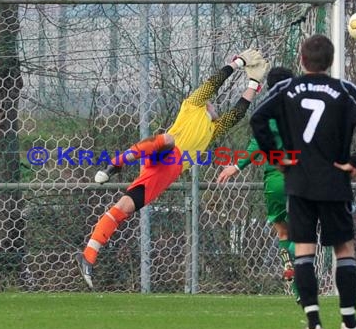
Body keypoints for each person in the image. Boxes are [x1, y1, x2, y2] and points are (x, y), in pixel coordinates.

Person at [76, 49, 271, 289]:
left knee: (123, 208)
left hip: (168, 171)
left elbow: (238, 112)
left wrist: (254, 82)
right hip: (167, 151)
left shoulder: (213, 130)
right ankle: (115, 163)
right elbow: (213, 83)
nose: (215, 105)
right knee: (167, 139)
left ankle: (88, 256)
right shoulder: (193, 105)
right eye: (212, 103)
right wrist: (238, 63)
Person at [250, 34, 356, 329]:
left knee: (304, 251)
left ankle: (313, 325)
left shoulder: (286, 88)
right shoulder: (345, 90)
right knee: (344, 249)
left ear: (302, 60)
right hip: (334, 181)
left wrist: (278, 158)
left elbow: (257, 118)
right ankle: (349, 324)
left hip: (299, 181)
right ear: (331, 61)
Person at [217, 66, 299, 303]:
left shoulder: (268, 112)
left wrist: (236, 167)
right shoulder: (301, 110)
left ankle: (290, 268)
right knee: (304, 236)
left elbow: (257, 145)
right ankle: (296, 265)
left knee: (282, 230)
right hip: (301, 178)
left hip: (275, 179)